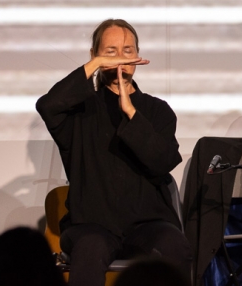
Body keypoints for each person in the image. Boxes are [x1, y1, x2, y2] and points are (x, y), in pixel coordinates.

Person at [36, 19, 191, 286]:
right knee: (91, 247)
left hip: (147, 224)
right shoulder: (79, 111)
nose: (120, 58)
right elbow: (48, 106)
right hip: (91, 226)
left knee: (174, 245)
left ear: (138, 56)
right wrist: (96, 64)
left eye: (127, 51)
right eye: (111, 52)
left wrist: (131, 113)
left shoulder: (157, 110)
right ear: (94, 56)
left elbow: (163, 161)